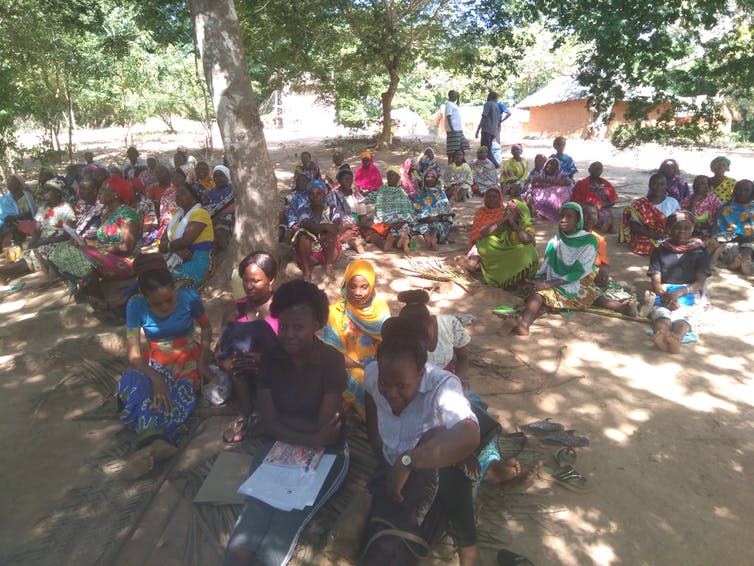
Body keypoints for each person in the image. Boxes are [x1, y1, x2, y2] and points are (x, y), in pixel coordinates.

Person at [224, 279, 348, 566]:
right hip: (282, 444)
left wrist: (294, 427)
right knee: (248, 527)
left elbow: (327, 430)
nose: (289, 335)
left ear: (317, 324)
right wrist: (312, 435)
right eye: (284, 326)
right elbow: (270, 420)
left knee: (284, 525)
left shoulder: (332, 361)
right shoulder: (271, 358)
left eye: (299, 327)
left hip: (327, 454)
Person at [361, 316, 480, 566]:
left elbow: (469, 433)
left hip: (428, 466)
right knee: (373, 539)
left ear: (421, 372)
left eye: (401, 386)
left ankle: (468, 549)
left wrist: (407, 461)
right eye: (386, 383)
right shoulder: (373, 374)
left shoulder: (442, 385)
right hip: (390, 463)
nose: (391, 392)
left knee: (441, 446)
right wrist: (375, 440)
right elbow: (370, 395)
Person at [118, 254, 213, 479]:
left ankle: (152, 444)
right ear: (144, 296)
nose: (164, 306)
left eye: (169, 300)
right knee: (133, 383)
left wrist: (202, 361)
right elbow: (134, 356)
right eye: (156, 303)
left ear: (173, 287)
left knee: (179, 393)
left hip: (187, 359)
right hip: (156, 362)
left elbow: (207, 329)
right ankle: (158, 444)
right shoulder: (135, 305)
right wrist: (156, 379)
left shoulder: (189, 296)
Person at [219, 252, 280, 443]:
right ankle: (245, 413)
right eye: (245, 281)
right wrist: (229, 361)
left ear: (271, 279)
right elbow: (220, 349)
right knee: (239, 356)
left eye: (256, 281)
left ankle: (264, 413)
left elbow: (297, 349)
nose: (249, 286)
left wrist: (264, 360)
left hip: (279, 369)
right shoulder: (235, 310)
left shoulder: (284, 308)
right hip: (245, 373)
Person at [512, 203, 599, 336]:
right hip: (555, 280)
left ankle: (524, 325)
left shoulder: (588, 240)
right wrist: (538, 281)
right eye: (561, 216)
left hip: (577, 282)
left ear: (578, 220)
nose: (563, 220)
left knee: (539, 295)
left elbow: (579, 272)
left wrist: (547, 284)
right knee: (534, 289)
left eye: (569, 216)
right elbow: (547, 267)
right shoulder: (555, 240)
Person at [47, 176, 140, 294]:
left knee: (78, 255)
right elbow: (101, 242)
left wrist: (98, 249)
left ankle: (96, 295)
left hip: (126, 261)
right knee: (63, 250)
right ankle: (87, 289)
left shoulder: (127, 214)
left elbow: (126, 247)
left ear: (115, 194)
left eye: (103, 189)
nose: (99, 192)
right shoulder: (107, 213)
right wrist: (83, 242)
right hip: (109, 256)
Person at [323, 259, 391, 421]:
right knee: (363, 381)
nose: (357, 292)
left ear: (372, 286)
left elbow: (389, 344)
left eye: (364, 287)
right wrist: (362, 366)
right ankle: (374, 424)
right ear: (346, 284)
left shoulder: (381, 309)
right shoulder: (335, 311)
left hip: (379, 362)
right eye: (352, 286)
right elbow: (332, 354)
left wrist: (380, 364)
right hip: (348, 365)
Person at [646, 211, 710, 353]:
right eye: (677, 227)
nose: (682, 231)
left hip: (690, 292)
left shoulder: (700, 251)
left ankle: (676, 338)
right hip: (665, 292)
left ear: (692, 229)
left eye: (686, 228)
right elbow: (656, 282)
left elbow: (699, 282)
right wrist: (666, 297)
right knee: (661, 315)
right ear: (669, 229)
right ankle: (664, 336)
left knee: (683, 317)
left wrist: (680, 292)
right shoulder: (659, 251)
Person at [0, 182, 75, 281]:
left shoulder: (66, 210)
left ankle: (4, 272)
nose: (45, 193)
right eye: (44, 191)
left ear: (58, 193)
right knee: (25, 257)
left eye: (49, 190)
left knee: (26, 262)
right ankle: (6, 272)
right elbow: (37, 229)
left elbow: (67, 235)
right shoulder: (44, 208)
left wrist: (44, 242)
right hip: (42, 242)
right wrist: (33, 242)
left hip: (57, 243)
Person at [462, 195, 539, 289]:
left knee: (527, 250)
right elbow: (483, 232)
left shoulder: (526, 227)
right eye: (507, 209)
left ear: (521, 214)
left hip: (516, 260)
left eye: (511, 210)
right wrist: (503, 220)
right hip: (504, 257)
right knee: (485, 241)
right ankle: (476, 266)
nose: (507, 212)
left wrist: (513, 224)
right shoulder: (503, 225)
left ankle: (518, 280)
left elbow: (527, 240)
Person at [582, 203, 638, 315]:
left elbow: (603, 263)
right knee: (593, 295)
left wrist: (603, 274)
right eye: (585, 214)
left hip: (595, 274)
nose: (589, 217)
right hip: (578, 276)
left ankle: (635, 306)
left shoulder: (599, 239)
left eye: (593, 214)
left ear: (598, 218)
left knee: (613, 289)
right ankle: (623, 308)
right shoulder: (572, 237)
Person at [159, 183, 214, 287]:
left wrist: (167, 246)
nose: (178, 196)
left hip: (197, 259)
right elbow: (163, 239)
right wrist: (174, 248)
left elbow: (185, 241)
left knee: (162, 279)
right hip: (176, 256)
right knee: (149, 272)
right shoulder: (177, 214)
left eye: (183, 193)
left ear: (194, 197)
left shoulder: (200, 213)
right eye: (177, 194)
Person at [289, 179, 343, 280]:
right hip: (308, 251)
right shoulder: (303, 209)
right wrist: (325, 227)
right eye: (311, 194)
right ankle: (307, 270)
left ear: (324, 195)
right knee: (303, 237)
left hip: (329, 251)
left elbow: (338, 227)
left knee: (329, 236)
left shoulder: (331, 209)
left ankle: (328, 265)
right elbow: (307, 224)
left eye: (319, 193)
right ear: (308, 196)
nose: (315, 197)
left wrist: (324, 231)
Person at [620, 173, 680, 256]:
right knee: (644, 242)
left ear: (666, 186)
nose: (658, 187)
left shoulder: (672, 202)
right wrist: (651, 234)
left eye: (662, 184)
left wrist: (666, 232)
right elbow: (634, 226)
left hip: (667, 235)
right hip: (647, 235)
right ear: (649, 185)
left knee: (678, 239)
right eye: (654, 184)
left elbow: (678, 221)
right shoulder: (639, 204)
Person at [366, 166, 416, 253]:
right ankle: (402, 241)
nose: (390, 178)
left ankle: (400, 241)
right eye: (389, 175)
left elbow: (408, 209)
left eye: (393, 175)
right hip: (386, 221)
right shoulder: (381, 190)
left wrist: (402, 220)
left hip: (401, 221)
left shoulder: (402, 192)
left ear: (398, 178)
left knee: (406, 228)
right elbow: (368, 198)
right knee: (384, 229)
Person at [711, 179, 754, 275]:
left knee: (748, 247)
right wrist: (741, 238)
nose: (742, 192)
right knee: (736, 249)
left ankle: (742, 261)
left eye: (747, 190)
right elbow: (719, 232)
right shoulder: (726, 208)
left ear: (752, 192)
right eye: (739, 189)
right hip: (733, 242)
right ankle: (744, 261)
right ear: (734, 191)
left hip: (751, 241)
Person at [410, 168, 454, 250]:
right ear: (424, 178)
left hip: (438, 220)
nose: (429, 179)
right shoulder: (419, 193)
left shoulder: (441, 192)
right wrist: (426, 218)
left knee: (436, 226)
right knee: (422, 226)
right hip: (422, 220)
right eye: (427, 176)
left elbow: (446, 211)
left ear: (436, 179)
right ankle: (429, 238)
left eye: (432, 177)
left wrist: (435, 218)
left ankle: (433, 237)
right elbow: (414, 210)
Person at [571, 161, 618, 232]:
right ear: (589, 170)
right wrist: (588, 206)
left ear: (602, 171)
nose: (597, 171)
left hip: (602, 208)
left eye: (599, 169)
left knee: (606, 215)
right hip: (586, 208)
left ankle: (602, 226)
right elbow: (575, 201)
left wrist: (602, 206)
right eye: (595, 168)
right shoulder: (581, 184)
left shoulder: (606, 184)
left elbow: (613, 200)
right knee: (588, 215)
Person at [529, 157, 574, 222]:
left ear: (557, 168)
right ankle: (541, 212)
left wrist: (551, 182)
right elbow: (533, 184)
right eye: (548, 164)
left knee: (563, 190)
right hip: (542, 199)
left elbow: (568, 182)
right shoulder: (541, 175)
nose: (550, 166)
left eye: (553, 164)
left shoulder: (561, 176)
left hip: (557, 201)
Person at [0, 174, 38, 248]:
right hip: (7, 224)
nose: (9, 183)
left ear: (19, 184)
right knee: (8, 230)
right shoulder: (5, 199)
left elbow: (31, 213)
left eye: (12, 181)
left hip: (25, 223)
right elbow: (5, 217)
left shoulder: (26, 196)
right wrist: (19, 216)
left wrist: (17, 217)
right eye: (8, 181)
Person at [207, 165, 236, 250]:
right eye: (216, 176)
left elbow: (234, 206)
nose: (218, 178)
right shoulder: (211, 192)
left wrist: (219, 214)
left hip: (230, 218)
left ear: (227, 176)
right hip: (213, 217)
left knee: (220, 231)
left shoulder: (232, 190)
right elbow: (210, 206)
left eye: (221, 175)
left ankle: (227, 252)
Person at [475, 92, 501, 168]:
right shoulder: (496, 106)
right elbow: (498, 120)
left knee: (485, 149)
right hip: (493, 131)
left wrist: (478, 129)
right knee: (487, 148)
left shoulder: (488, 104)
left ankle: (495, 164)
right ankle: (487, 165)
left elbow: (484, 117)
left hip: (487, 130)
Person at [444, 90, 470, 164]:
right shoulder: (449, 104)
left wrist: (458, 98)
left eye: (456, 96)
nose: (455, 97)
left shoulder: (453, 104)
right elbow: (448, 116)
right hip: (453, 130)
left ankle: (460, 163)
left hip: (458, 130)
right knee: (452, 150)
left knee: (462, 146)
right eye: (454, 95)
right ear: (450, 96)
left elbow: (457, 105)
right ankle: (451, 165)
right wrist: (452, 129)